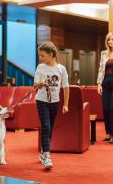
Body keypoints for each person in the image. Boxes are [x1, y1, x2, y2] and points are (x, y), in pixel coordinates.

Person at [33, 42, 69, 170]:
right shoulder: (40, 67)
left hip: (55, 101)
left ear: (51, 54)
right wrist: (41, 83)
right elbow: (35, 85)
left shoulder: (61, 69)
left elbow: (65, 87)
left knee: (50, 128)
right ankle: (47, 156)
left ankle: (43, 151)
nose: (40, 58)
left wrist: (65, 104)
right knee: (46, 126)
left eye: (42, 56)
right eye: (40, 56)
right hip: (42, 100)